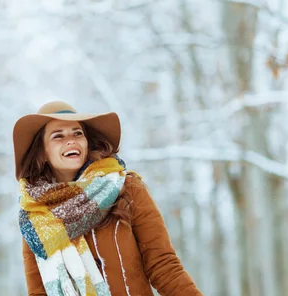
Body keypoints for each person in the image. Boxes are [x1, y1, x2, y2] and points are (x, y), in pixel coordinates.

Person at [13, 101, 202, 296]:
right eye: (58, 136)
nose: (71, 140)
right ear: (43, 152)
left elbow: (164, 267)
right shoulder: (36, 217)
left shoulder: (126, 188)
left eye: (78, 133)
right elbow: (38, 292)